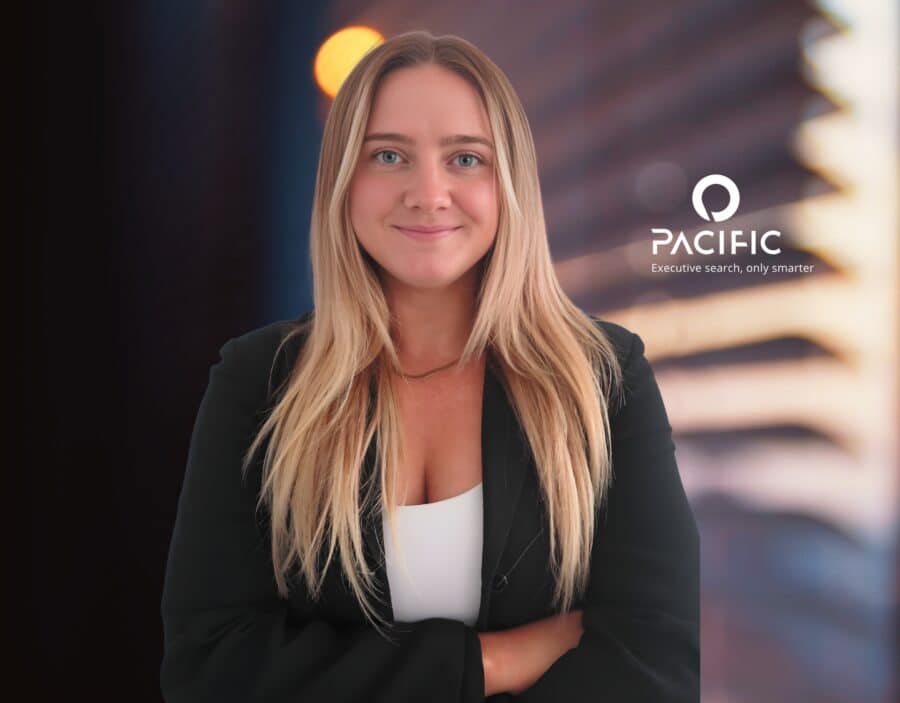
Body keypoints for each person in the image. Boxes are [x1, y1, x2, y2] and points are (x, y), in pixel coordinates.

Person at [160, 30, 699, 702]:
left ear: (510, 185)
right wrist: (489, 663)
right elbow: (210, 670)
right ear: (343, 181)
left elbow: (654, 673)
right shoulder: (258, 382)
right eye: (389, 155)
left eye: (466, 159)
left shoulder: (605, 379)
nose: (428, 192)